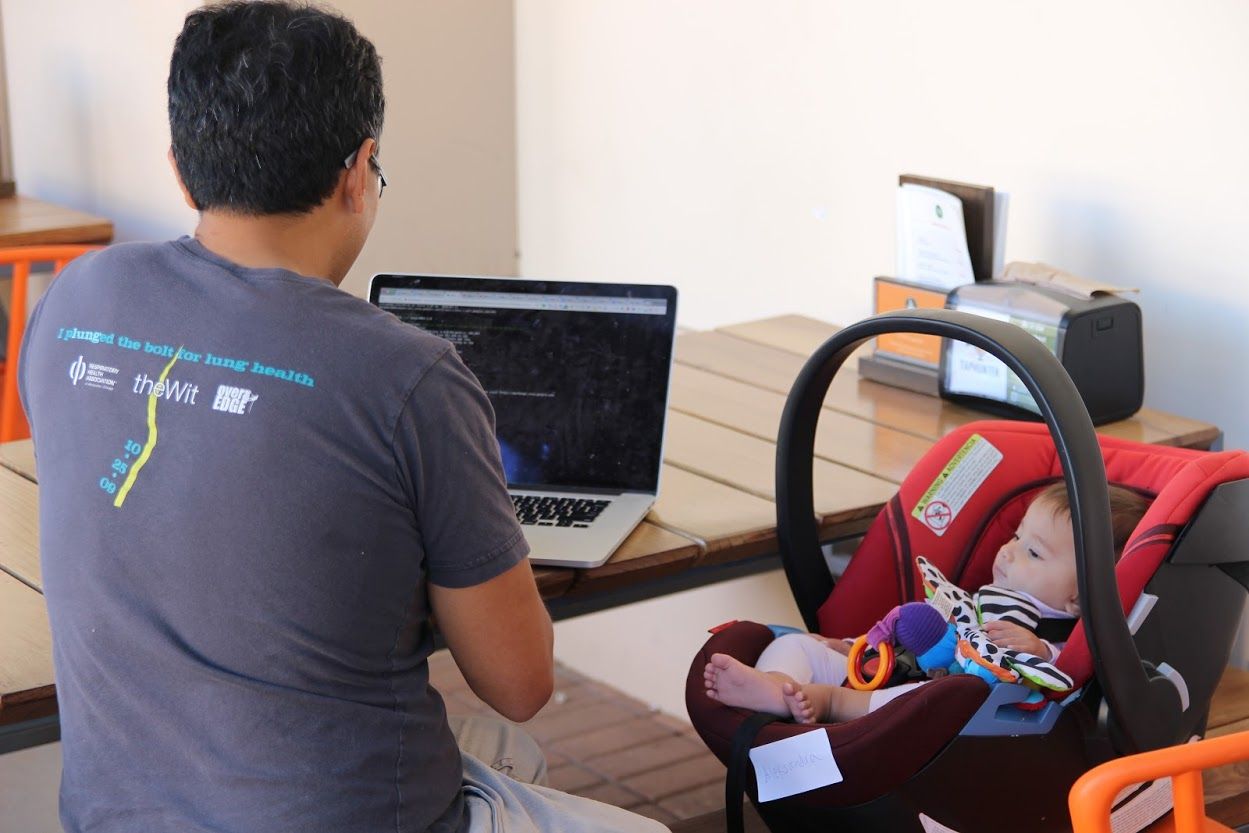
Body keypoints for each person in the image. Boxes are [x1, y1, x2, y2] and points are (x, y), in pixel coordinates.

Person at [18, 4, 665, 832]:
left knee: (493, 751)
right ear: (358, 171)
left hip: (115, 815)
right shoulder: (408, 376)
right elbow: (519, 682)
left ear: (181, 171)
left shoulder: (75, 298)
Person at [704, 482, 1150, 725]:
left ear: (1078, 597)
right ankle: (775, 685)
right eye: (1016, 536)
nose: (1008, 551)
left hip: (948, 704)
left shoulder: (1064, 632)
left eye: (1033, 552)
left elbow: (1068, 673)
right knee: (795, 643)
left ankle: (829, 703)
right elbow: (918, 629)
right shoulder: (979, 599)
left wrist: (1040, 650)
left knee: (928, 700)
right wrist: (853, 645)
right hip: (886, 669)